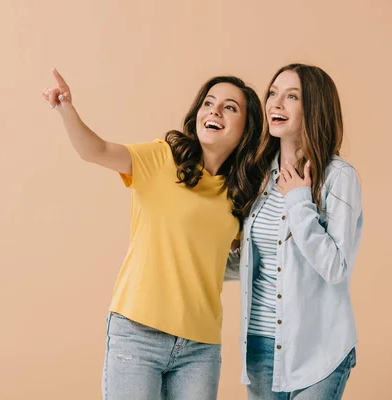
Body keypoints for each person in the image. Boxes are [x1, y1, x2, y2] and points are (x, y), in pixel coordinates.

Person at [42, 68, 263, 400]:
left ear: (247, 129)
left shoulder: (239, 193)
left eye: (230, 107)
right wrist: (66, 110)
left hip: (200, 348)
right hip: (137, 334)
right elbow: (95, 150)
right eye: (209, 102)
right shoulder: (162, 158)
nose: (214, 111)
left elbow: (229, 261)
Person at [226, 63, 363, 399]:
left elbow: (335, 268)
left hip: (320, 350)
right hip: (259, 346)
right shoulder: (258, 177)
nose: (276, 103)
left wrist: (299, 200)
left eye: (291, 96)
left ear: (314, 108)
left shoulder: (338, 177)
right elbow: (249, 263)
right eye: (273, 93)